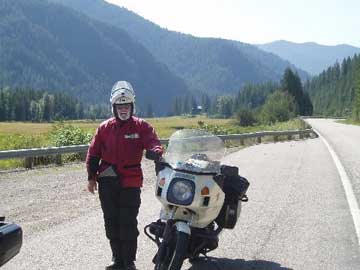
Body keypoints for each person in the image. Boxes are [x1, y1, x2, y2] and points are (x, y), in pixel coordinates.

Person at [86, 81, 163, 270]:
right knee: (111, 220)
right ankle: (116, 259)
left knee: (127, 221)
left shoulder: (141, 126)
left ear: (132, 106)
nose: (123, 109)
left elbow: (153, 142)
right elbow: (93, 153)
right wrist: (91, 177)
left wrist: (155, 151)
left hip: (131, 178)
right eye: (120, 106)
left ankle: (129, 261)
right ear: (114, 107)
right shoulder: (104, 128)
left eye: (126, 105)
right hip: (107, 177)